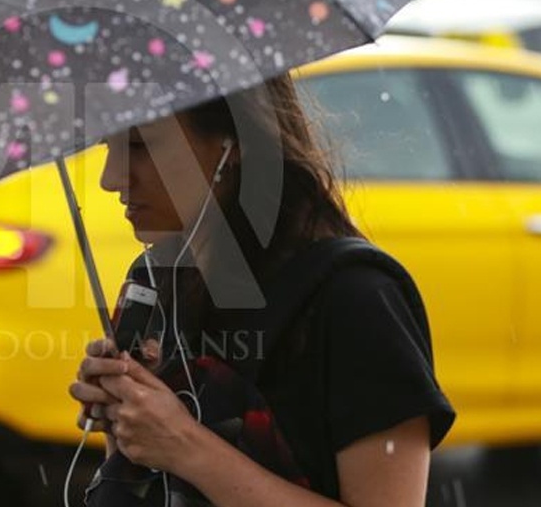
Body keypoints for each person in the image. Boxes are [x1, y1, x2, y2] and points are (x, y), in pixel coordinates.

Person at [69, 73, 454, 506]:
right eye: (108, 145)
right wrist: (127, 420)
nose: (110, 177)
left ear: (232, 145)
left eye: (139, 146)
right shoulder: (155, 280)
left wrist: (184, 444)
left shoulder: (353, 298)